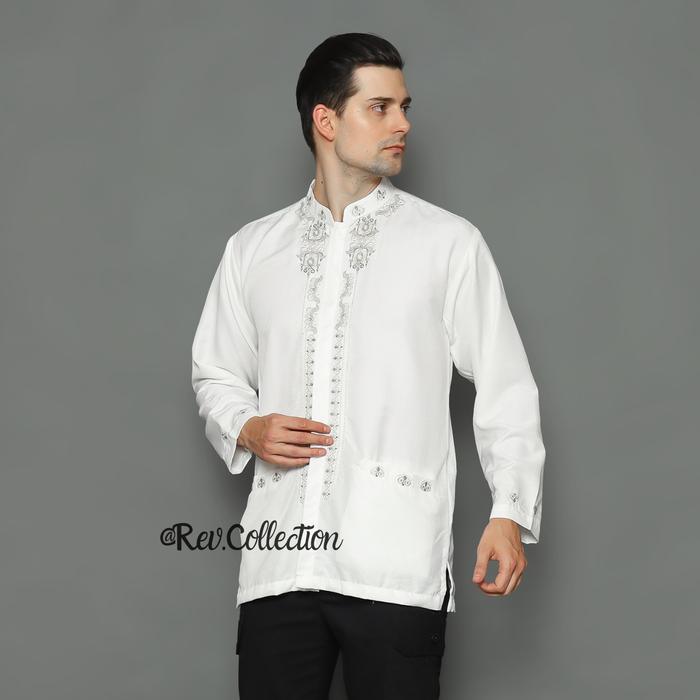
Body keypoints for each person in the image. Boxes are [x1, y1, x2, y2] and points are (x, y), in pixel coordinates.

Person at [191, 32, 545, 700]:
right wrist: (247, 427)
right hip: (280, 567)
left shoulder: (448, 244)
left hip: (395, 563)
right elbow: (216, 372)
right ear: (326, 120)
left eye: (404, 106)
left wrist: (510, 511)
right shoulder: (253, 249)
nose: (403, 123)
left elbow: (506, 385)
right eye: (380, 107)